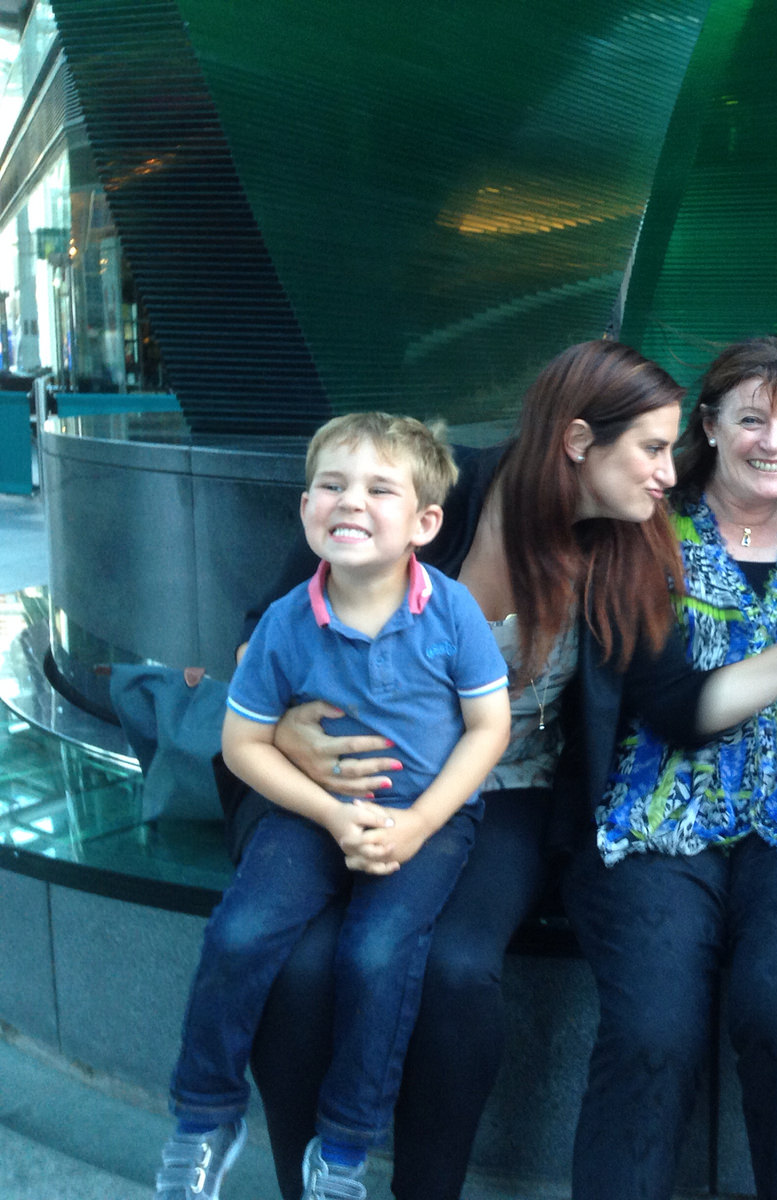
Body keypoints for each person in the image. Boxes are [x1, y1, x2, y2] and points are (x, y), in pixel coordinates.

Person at [231, 340, 777, 1200]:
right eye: (654, 448)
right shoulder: (432, 488)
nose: (670, 472)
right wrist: (286, 730)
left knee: (453, 969)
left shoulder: (628, 546)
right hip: (338, 775)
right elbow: (263, 636)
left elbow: (681, 704)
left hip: (501, 791)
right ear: (580, 442)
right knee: (293, 965)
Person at [567, 336, 777, 1200]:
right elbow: (675, 710)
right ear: (709, 425)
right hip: (663, 806)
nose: (774, 442)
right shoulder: (649, 529)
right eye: (752, 419)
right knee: (652, 1028)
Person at [156, 414, 513, 1200]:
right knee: (242, 931)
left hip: (427, 820)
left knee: (377, 954)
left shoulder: (451, 611)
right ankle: (205, 1113)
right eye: (332, 485)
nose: (350, 500)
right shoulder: (288, 621)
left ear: (425, 522)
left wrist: (419, 823)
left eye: (380, 488)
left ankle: (344, 1150)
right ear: (306, 507)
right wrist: (328, 811)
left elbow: (490, 727)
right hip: (312, 813)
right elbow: (244, 743)